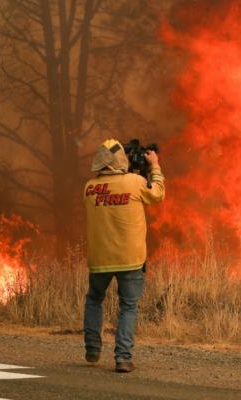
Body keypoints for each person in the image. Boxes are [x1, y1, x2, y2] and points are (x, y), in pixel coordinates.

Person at [83, 138, 165, 373]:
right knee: (128, 307)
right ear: (122, 160)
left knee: (94, 300)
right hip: (130, 258)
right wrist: (155, 166)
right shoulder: (135, 182)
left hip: (99, 259)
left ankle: (92, 349)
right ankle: (123, 358)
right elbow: (157, 194)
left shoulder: (89, 187)